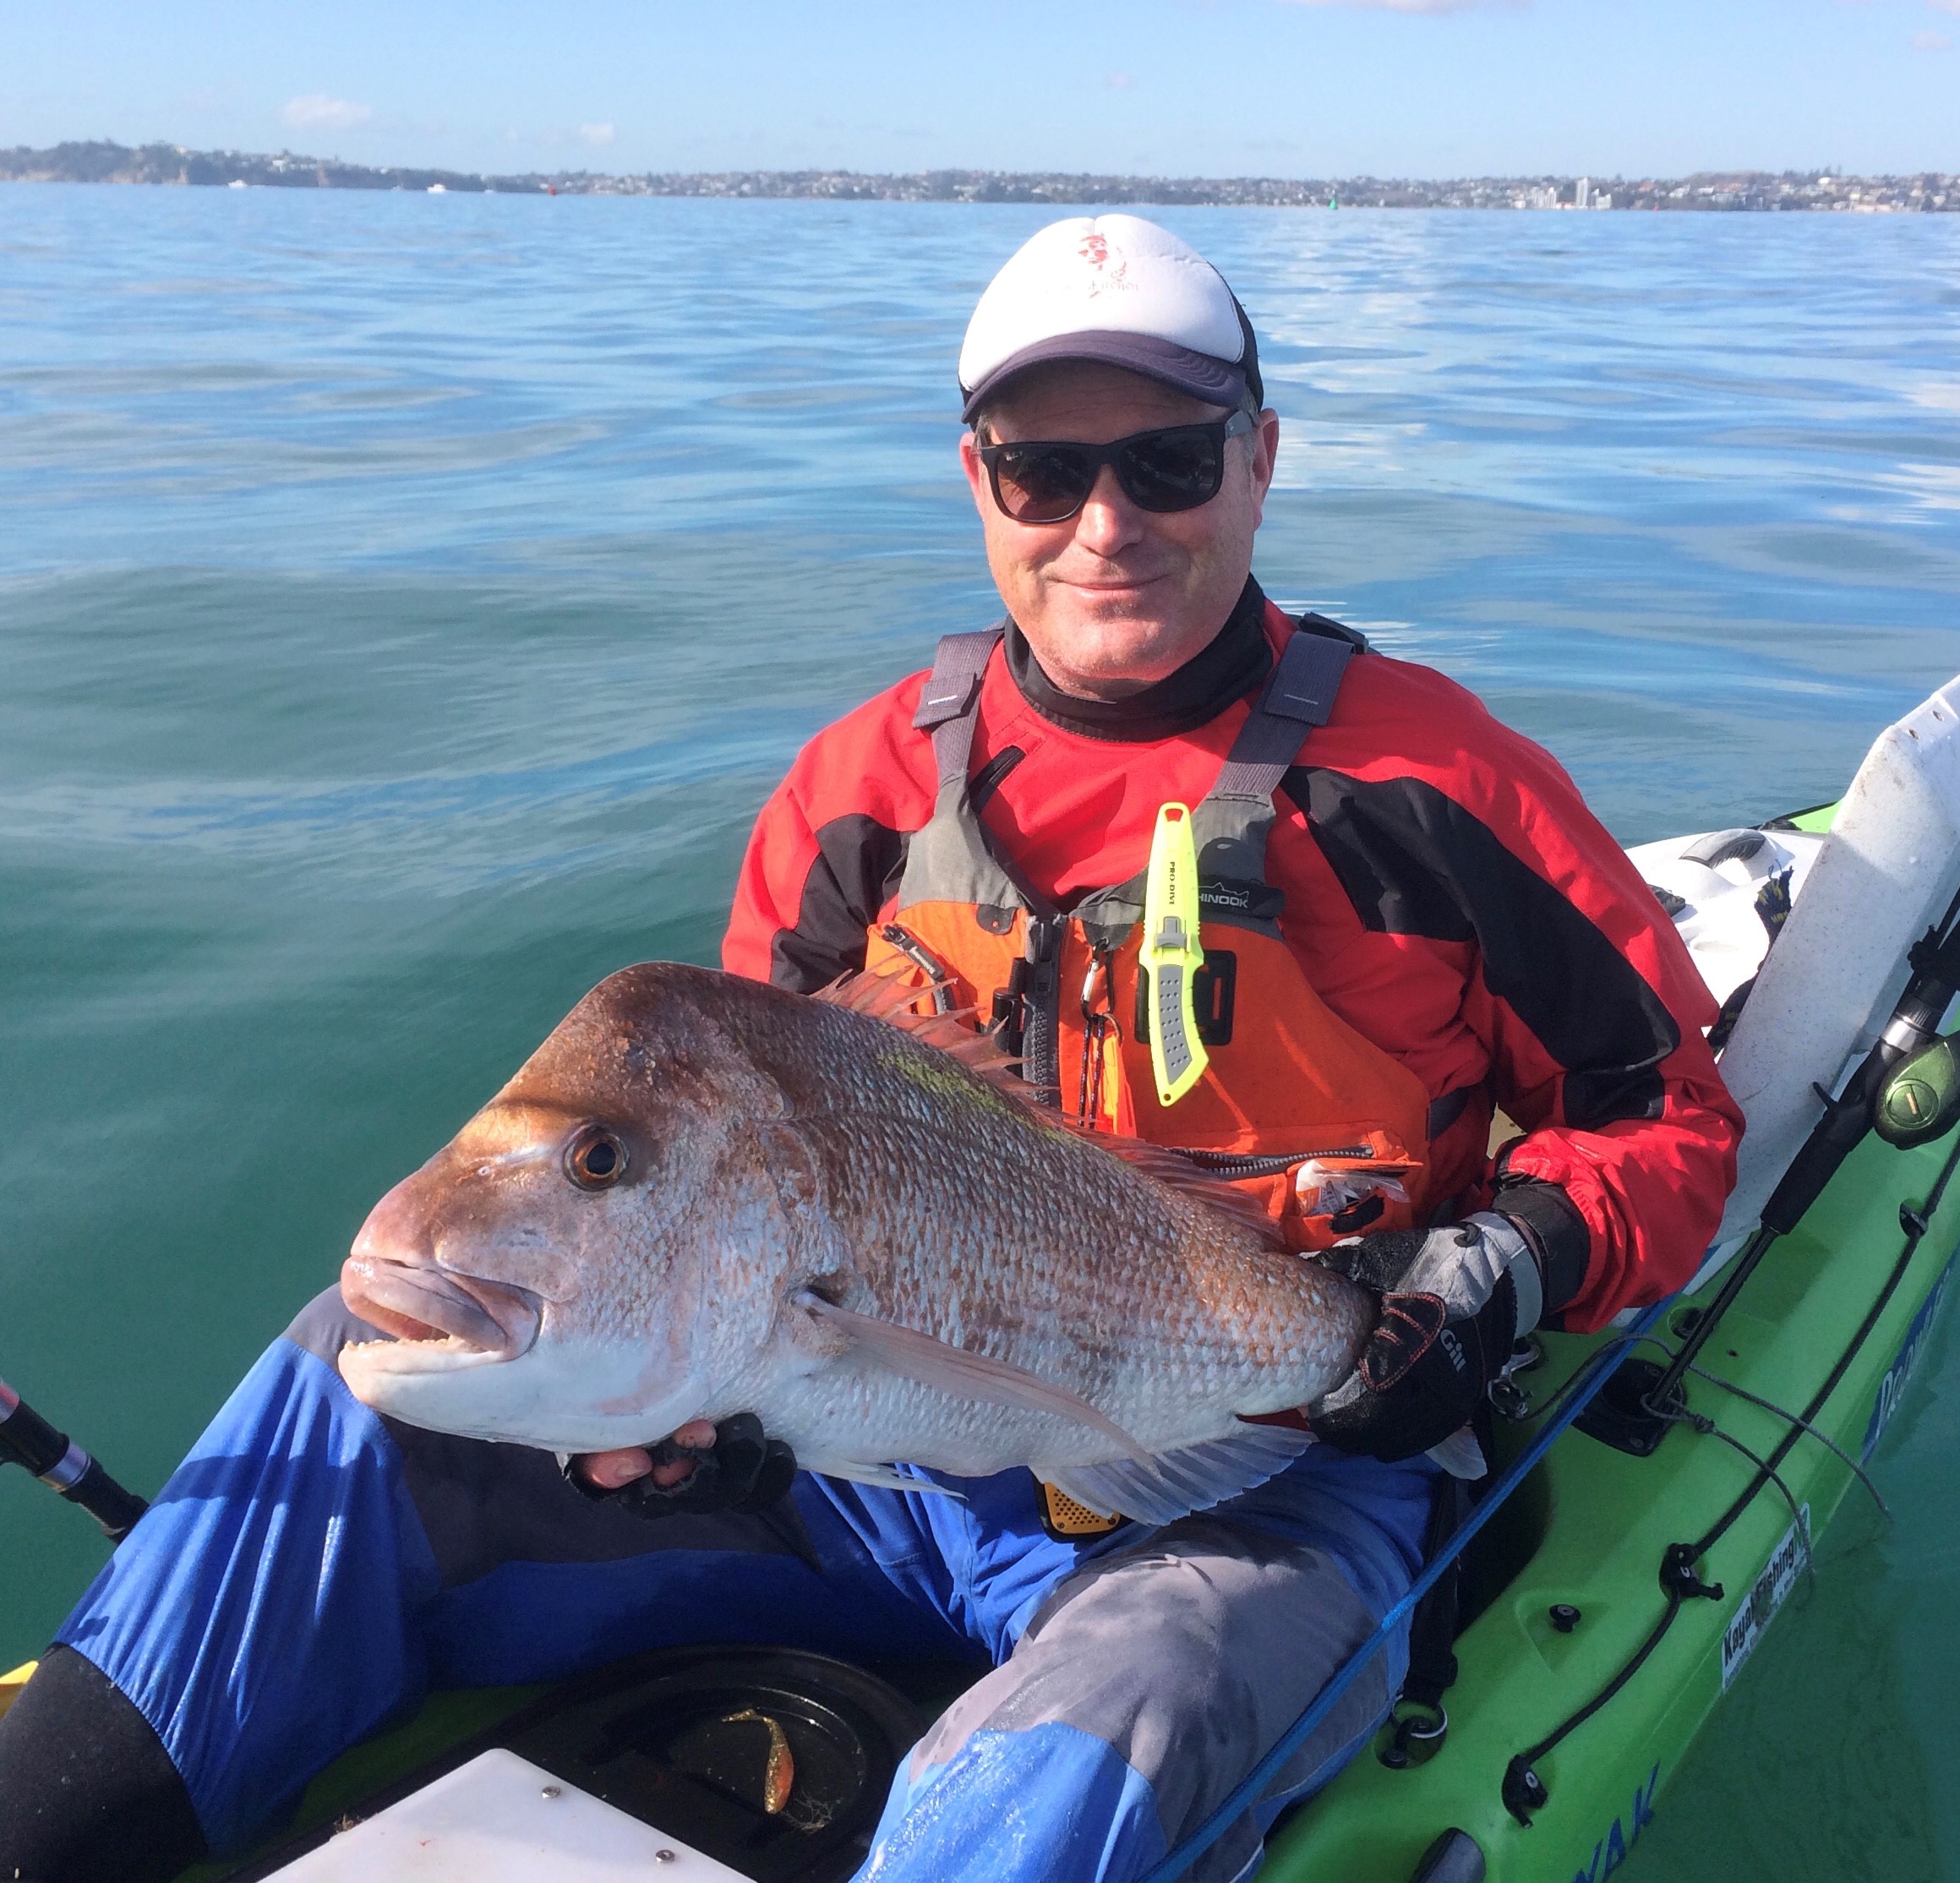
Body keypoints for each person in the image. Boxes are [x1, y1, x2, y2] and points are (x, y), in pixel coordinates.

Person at [0, 215, 1740, 1883]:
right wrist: (692, 1411)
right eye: (1043, 470)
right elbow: (720, 1171)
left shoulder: (1447, 788)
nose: (1105, 521)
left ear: (1262, 457)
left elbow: (1669, 1121)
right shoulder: (861, 794)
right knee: (340, 1366)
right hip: (868, 1474)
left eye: (1170, 458)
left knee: (1137, 1708)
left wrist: (1488, 1279)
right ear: (977, 479)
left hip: (1251, 1479)